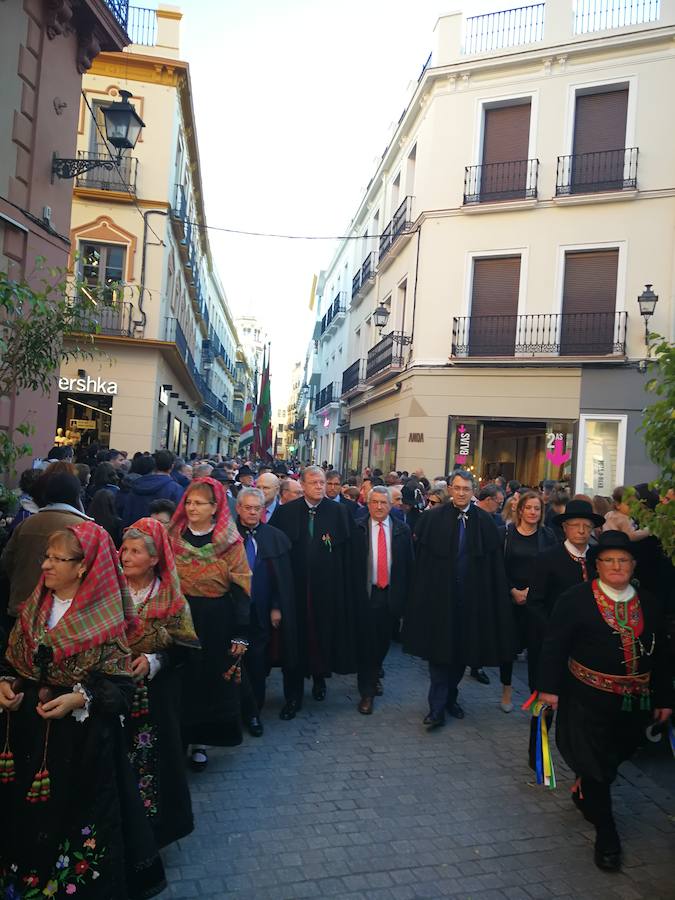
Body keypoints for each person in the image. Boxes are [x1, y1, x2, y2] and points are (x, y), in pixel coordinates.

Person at [0, 522, 166, 898]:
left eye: (59, 559)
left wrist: (79, 697)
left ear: (83, 566)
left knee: (74, 820)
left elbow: (121, 688)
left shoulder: (105, 619)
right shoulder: (34, 608)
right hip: (26, 738)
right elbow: (12, 661)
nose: (46, 566)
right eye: (47, 556)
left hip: (80, 745)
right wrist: (5, 683)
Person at [537, 531, 672, 872]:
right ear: (597, 565)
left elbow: (664, 656)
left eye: (623, 560)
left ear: (633, 564)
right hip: (585, 698)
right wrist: (548, 689)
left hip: (633, 703)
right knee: (594, 763)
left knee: (615, 756)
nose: (616, 566)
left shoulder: (649, 602)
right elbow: (554, 645)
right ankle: (607, 833)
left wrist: (664, 697)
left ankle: (585, 788)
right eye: (609, 560)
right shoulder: (575, 599)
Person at [403, 470, 514, 729]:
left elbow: (491, 567)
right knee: (439, 654)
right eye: (457, 488)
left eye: (466, 488)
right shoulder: (432, 519)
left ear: (473, 490)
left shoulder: (485, 522)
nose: (462, 492)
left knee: (461, 654)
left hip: (471, 602)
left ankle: (451, 696)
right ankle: (437, 708)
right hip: (440, 600)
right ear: (450, 490)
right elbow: (423, 565)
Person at [120, 518, 200, 847]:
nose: (125, 556)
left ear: (154, 559)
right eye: (124, 548)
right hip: (111, 694)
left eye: (135, 551)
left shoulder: (172, 598)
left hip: (155, 697)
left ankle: (155, 831)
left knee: (154, 761)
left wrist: (154, 660)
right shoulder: (108, 592)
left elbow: (188, 648)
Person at [168, 478, 251, 770]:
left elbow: (242, 588)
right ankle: (177, 739)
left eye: (199, 503)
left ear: (215, 508)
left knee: (207, 680)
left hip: (215, 620)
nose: (192, 508)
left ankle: (200, 743)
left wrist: (241, 633)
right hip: (179, 617)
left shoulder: (229, 542)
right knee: (180, 679)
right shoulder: (173, 537)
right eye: (189, 502)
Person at [270, 465, 356, 719]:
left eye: (323, 482)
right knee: (293, 644)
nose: (320, 486)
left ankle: (320, 679)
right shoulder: (285, 513)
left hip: (326, 592)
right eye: (314, 482)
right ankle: (292, 697)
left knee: (321, 638)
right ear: (303, 485)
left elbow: (348, 555)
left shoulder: (339, 512)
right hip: (294, 593)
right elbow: (275, 554)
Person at [235, 488, 296, 736]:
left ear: (264, 510)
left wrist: (276, 607)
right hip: (231, 614)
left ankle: (253, 712)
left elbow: (281, 580)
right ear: (238, 508)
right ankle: (233, 711)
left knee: (257, 665)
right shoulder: (226, 537)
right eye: (247, 507)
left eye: (257, 508)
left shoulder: (274, 537)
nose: (252, 512)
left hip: (260, 612)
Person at [527, 499, 605, 690]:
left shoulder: (599, 559)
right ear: (565, 527)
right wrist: (553, 633)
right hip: (552, 640)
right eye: (575, 525)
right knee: (546, 698)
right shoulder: (548, 558)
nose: (581, 530)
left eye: (587, 526)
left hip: (589, 643)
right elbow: (535, 603)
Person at [1, 473, 92, 626]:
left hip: (22, 603)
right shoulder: (84, 527)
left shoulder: (27, 523)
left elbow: (7, 562)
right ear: (76, 494)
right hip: (64, 613)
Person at [353, 487, 414, 715]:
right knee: (367, 644)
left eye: (383, 503)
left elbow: (409, 565)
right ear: (367, 504)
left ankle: (375, 671)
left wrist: (408, 600)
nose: (379, 507)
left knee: (383, 642)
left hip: (391, 595)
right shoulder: (357, 529)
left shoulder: (402, 530)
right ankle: (366, 692)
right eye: (375, 502)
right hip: (367, 595)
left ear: (390, 505)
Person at [498, 491, 557, 710]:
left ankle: (536, 693)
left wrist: (532, 592)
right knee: (508, 648)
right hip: (510, 600)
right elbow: (499, 567)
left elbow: (552, 568)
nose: (533, 512)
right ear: (520, 510)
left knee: (537, 649)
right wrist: (513, 590)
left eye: (537, 508)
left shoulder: (548, 536)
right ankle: (506, 691)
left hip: (537, 601)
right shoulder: (505, 534)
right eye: (529, 508)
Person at [120, 454, 183, 527]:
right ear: (172, 466)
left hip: (136, 533)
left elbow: (127, 513)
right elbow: (178, 517)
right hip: (161, 534)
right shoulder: (175, 489)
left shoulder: (137, 484)